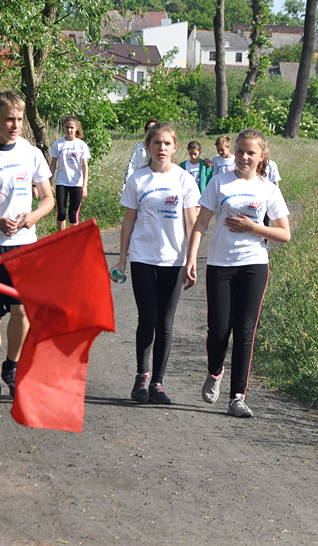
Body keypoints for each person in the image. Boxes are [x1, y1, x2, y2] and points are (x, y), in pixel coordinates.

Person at [184, 128, 291, 418]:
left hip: (254, 264)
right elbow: (201, 224)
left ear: (262, 157)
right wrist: (191, 258)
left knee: (245, 331)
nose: (244, 157)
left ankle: (238, 397)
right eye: (241, 151)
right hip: (220, 263)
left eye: (251, 153)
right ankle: (215, 370)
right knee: (219, 330)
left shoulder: (268, 188)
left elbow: (284, 233)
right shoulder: (219, 182)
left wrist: (254, 228)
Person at [112, 122, 200, 404]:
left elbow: (191, 222)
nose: (162, 148)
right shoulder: (138, 180)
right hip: (143, 258)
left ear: (175, 148)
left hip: (173, 260)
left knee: (165, 322)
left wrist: (191, 259)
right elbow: (128, 222)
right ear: (147, 147)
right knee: (146, 318)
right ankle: (142, 376)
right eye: (156, 143)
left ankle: (158, 384)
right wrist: (123, 259)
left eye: (167, 144)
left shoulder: (184, 179)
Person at [0, 90, 55, 405]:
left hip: (25, 245)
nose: (15, 125)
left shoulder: (31, 153)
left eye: (20, 119)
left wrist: (31, 217)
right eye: (9, 118)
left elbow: (48, 198)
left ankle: (12, 365)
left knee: (21, 310)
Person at [49, 115, 90, 230]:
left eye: (71, 127)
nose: (69, 130)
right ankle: (61, 240)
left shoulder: (81, 145)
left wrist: (85, 186)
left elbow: (85, 166)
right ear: (64, 128)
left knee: (73, 214)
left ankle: (73, 241)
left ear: (76, 128)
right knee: (61, 212)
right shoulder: (58, 144)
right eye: (67, 127)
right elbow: (52, 164)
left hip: (76, 183)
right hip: (62, 181)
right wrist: (49, 182)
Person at [122, 118, 159, 189]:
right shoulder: (139, 147)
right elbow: (132, 165)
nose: (150, 130)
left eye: (153, 128)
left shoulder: (162, 148)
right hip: (140, 183)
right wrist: (127, 184)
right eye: (148, 128)